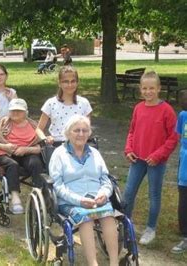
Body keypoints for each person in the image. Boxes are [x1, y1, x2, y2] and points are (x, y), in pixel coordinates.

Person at [50, 115, 118, 266]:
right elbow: (58, 186)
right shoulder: (59, 154)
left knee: (109, 217)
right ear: (68, 133)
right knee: (85, 219)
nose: (81, 134)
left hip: (97, 199)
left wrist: (104, 194)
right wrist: (79, 200)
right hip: (70, 201)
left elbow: (106, 179)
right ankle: (93, 263)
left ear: (89, 134)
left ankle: (114, 262)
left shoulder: (95, 153)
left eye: (84, 130)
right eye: (77, 130)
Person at [123, 71, 178, 245]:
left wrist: (158, 155)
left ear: (159, 88)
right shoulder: (138, 108)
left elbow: (173, 138)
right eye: (145, 88)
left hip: (156, 162)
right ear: (140, 89)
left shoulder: (167, 110)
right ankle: (125, 224)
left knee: (154, 195)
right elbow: (132, 131)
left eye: (152, 88)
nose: (148, 92)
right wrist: (128, 149)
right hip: (137, 159)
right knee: (128, 194)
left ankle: (150, 229)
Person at [0, 98, 44, 214]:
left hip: (27, 153)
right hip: (5, 153)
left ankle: (38, 195)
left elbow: (40, 146)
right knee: (13, 165)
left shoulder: (33, 125)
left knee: (36, 162)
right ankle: (15, 198)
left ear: (26, 112)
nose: (16, 113)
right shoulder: (3, 123)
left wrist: (26, 149)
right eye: (13, 110)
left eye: (19, 110)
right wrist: (4, 146)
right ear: (9, 111)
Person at [38, 65, 92, 146]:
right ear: (59, 83)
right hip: (56, 145)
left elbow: (87, 129)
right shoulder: (51, 103)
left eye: (73, 81)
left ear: (77, 82)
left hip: (78, 145)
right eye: (66, 82)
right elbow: (39, 129)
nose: (70, 85)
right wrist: (45, 139)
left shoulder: (84, 103)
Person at [172, 91, 187, 253]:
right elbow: (179, 135)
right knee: (184, 196)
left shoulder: (182, 114)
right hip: (185, 163)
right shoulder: (183, 115)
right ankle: (185, 234)